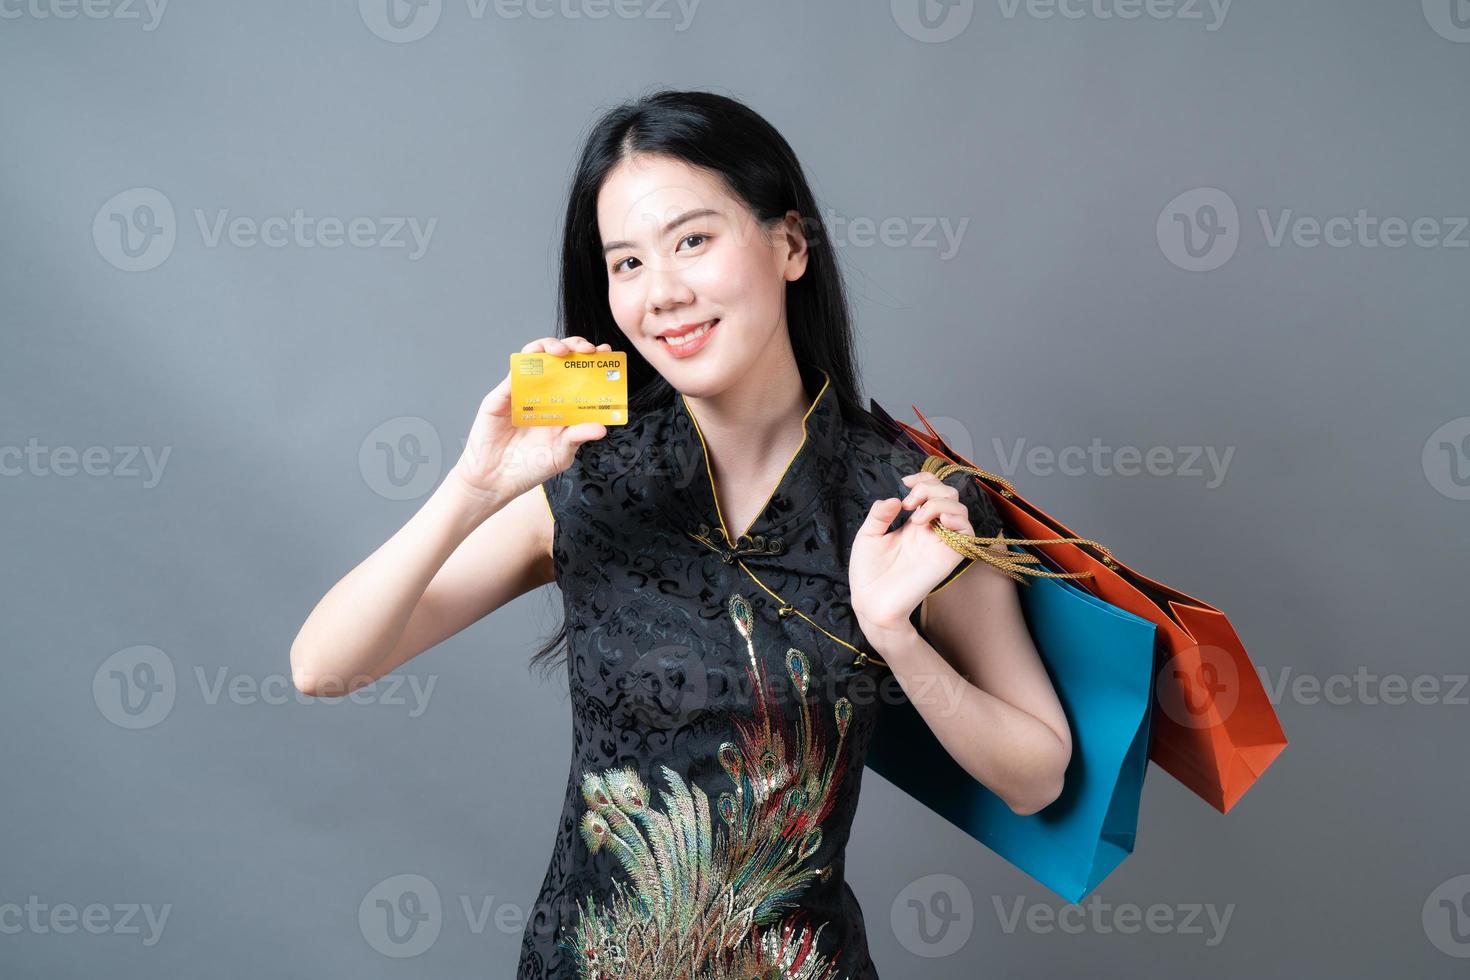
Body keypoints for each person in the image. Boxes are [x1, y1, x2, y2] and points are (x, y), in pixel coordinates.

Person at [290, 88, 1071, 980]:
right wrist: (473, 488)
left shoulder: (908, 499)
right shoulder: (590, 474)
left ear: (788, 244)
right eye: (625, 262)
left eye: (692, 240)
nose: (660, 292)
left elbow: (1035, 775)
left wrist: (897, 636)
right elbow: (323, 666)